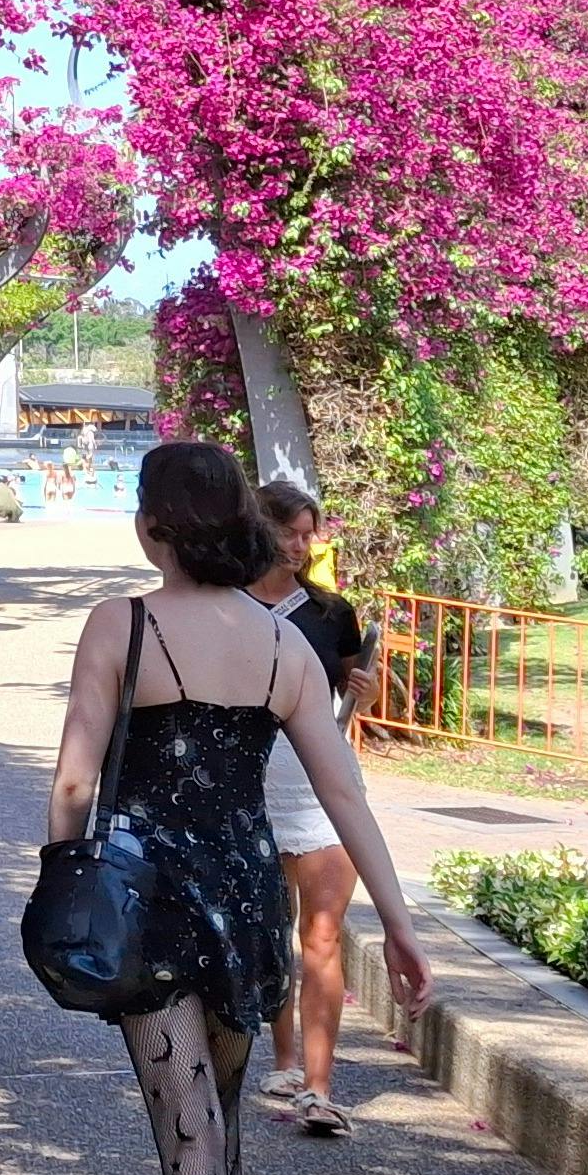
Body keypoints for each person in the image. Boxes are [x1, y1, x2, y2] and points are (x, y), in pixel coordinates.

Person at [47, 442, 433, 1175]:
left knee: (188, 1145)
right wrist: (399, 923)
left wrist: (59, 880)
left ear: (152, 529)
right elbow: (344, 793)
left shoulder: (122, 625)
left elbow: (76, 781)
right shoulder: (283, 645)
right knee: (214, 1125)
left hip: (151, 905)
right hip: (247, 904)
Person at [248, 480, 378, 1136]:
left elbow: (355, 695)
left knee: (322, 935)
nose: (300, 546)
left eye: (308, 534)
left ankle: (319, 1091)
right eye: (288, 532)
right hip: (249, 786)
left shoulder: (332, 613)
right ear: (257, 527)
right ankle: (283, 1061)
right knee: (270, 930)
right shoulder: (224, 605)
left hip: (321, 785)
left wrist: (369, 690)